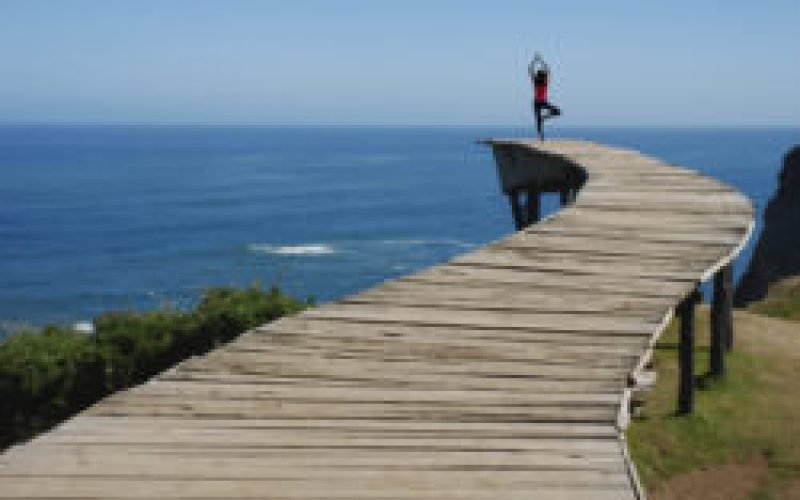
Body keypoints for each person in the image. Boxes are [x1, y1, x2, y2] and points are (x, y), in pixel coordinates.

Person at [528, 53, 561, 140]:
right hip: (540, 102)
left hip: (538, 102)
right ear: (543, 76)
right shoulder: (544, 82)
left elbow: (530, 70)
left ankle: (544, 118)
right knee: (540, 119)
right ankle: (541, 136)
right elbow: (548, 70)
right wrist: (541, 61)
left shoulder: (539, 82)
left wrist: (535, 61)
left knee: (555, 113)